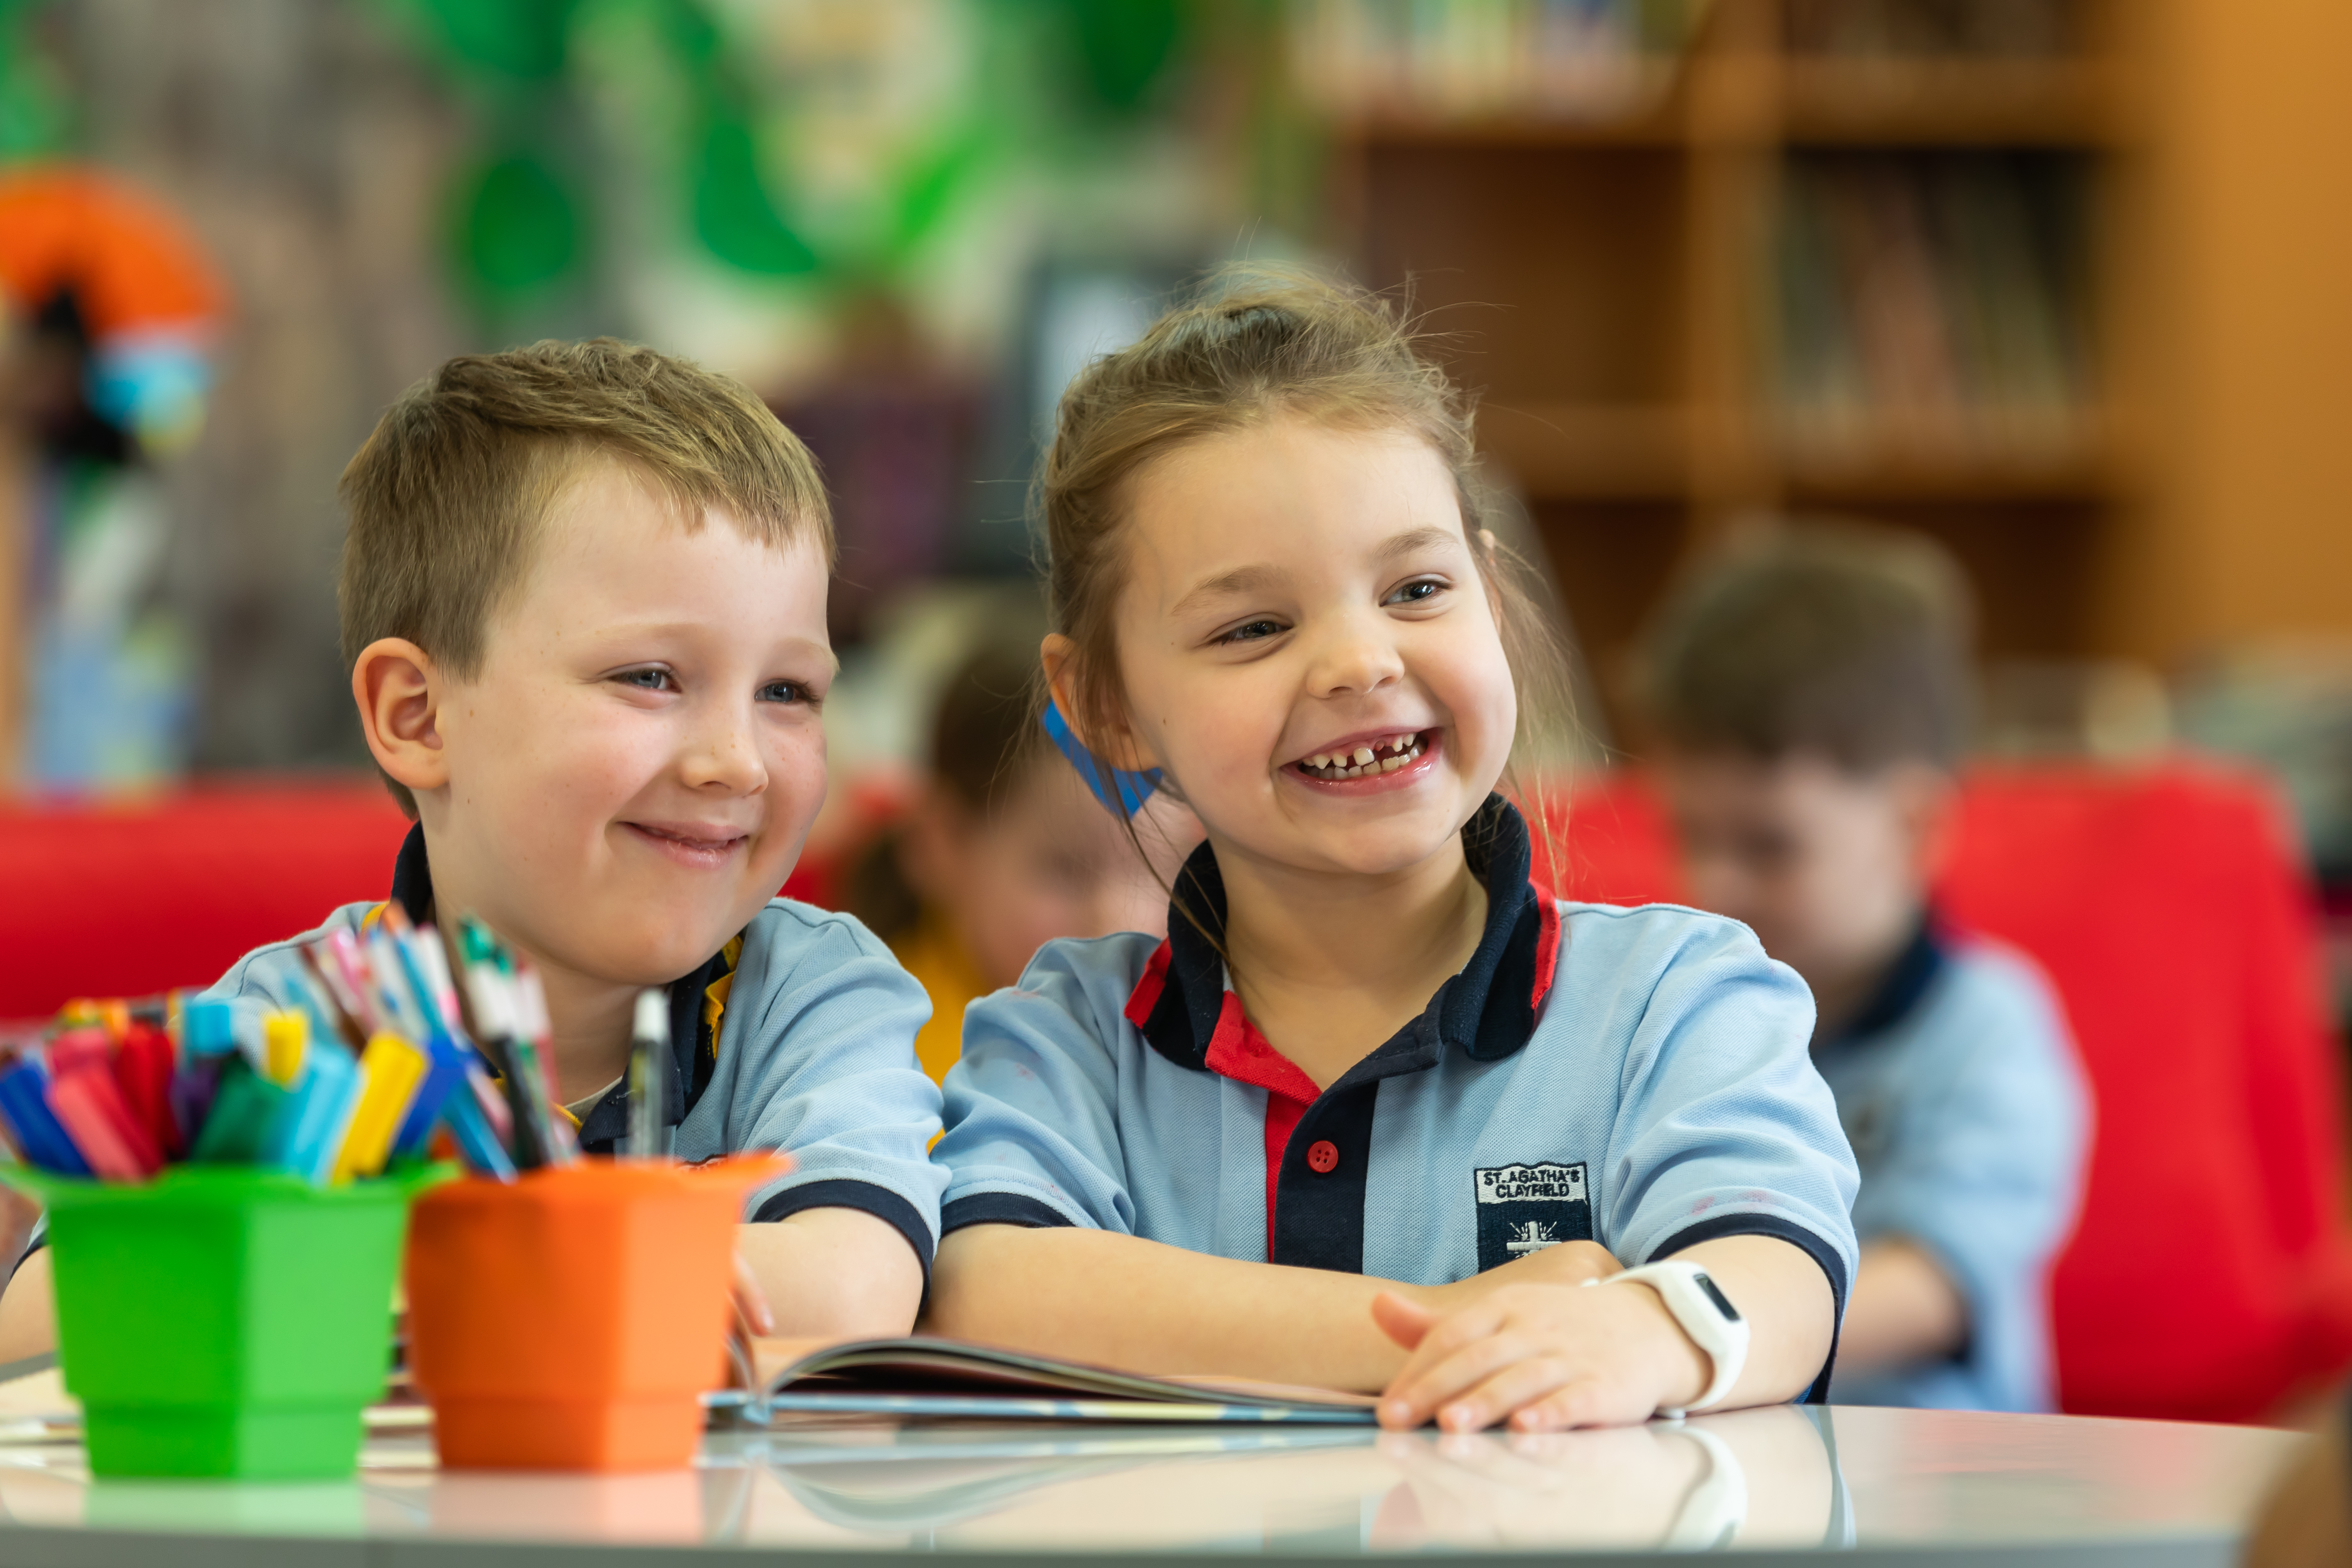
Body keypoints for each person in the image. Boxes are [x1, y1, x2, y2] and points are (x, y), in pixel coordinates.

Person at [924, 264, 1860, 1433]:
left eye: (1416, 586)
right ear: (1103, 701)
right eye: (1253, 626)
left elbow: (1775, 1279)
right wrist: (1461, 1322)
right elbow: (982, 1289)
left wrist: (1643, 1327)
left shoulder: (1677, 998)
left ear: (1493, 593)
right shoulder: (1066, 1036)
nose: (1359, 662)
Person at [0, 340, 946, 1358]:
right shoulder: (284, 1029)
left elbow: (849, 1290)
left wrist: (351, 1269)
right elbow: (46, 1322)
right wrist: (607, 1269)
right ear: (420, 716)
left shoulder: (813, 995)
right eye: (652, 676)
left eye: (787, 692)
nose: (738, 762)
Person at [1638, 525, 2088, 1411]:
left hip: (1943, 1493)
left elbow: (1925, 1288)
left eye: (1766, 845)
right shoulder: (1681, 1015)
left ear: (1912, 828)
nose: (1708, 883)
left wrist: (1667, 1335)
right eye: (1689, 834)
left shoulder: (1987, 1026)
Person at [844, 636, 1186, 1085]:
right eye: (1066, 869)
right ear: (941, 841)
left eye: (1157, 868)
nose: (1119, 924)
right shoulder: (885, 1086)